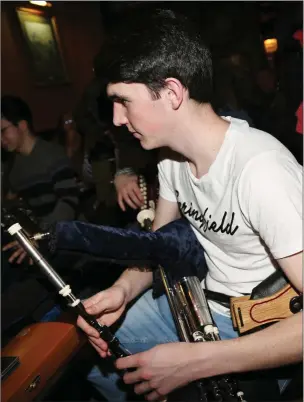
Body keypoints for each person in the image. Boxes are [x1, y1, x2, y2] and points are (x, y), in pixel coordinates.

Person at [75, 9, 302, 401]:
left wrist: (196, 361)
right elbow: (160, 246)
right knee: (96, 360)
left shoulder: (261, 170)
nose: (116, 118)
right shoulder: (170, 159)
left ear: (173, 92)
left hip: (256, 325)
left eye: (123, 101)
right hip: (200, 301)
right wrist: (123, 289)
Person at [1, 95, 79, 263]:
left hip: (70, 241)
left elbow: (69, 202)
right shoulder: (13, 166)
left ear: (21, 125)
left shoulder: (52, 155)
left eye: (3, 131)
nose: (1, 139)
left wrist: (38, 235)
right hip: (42, 241)